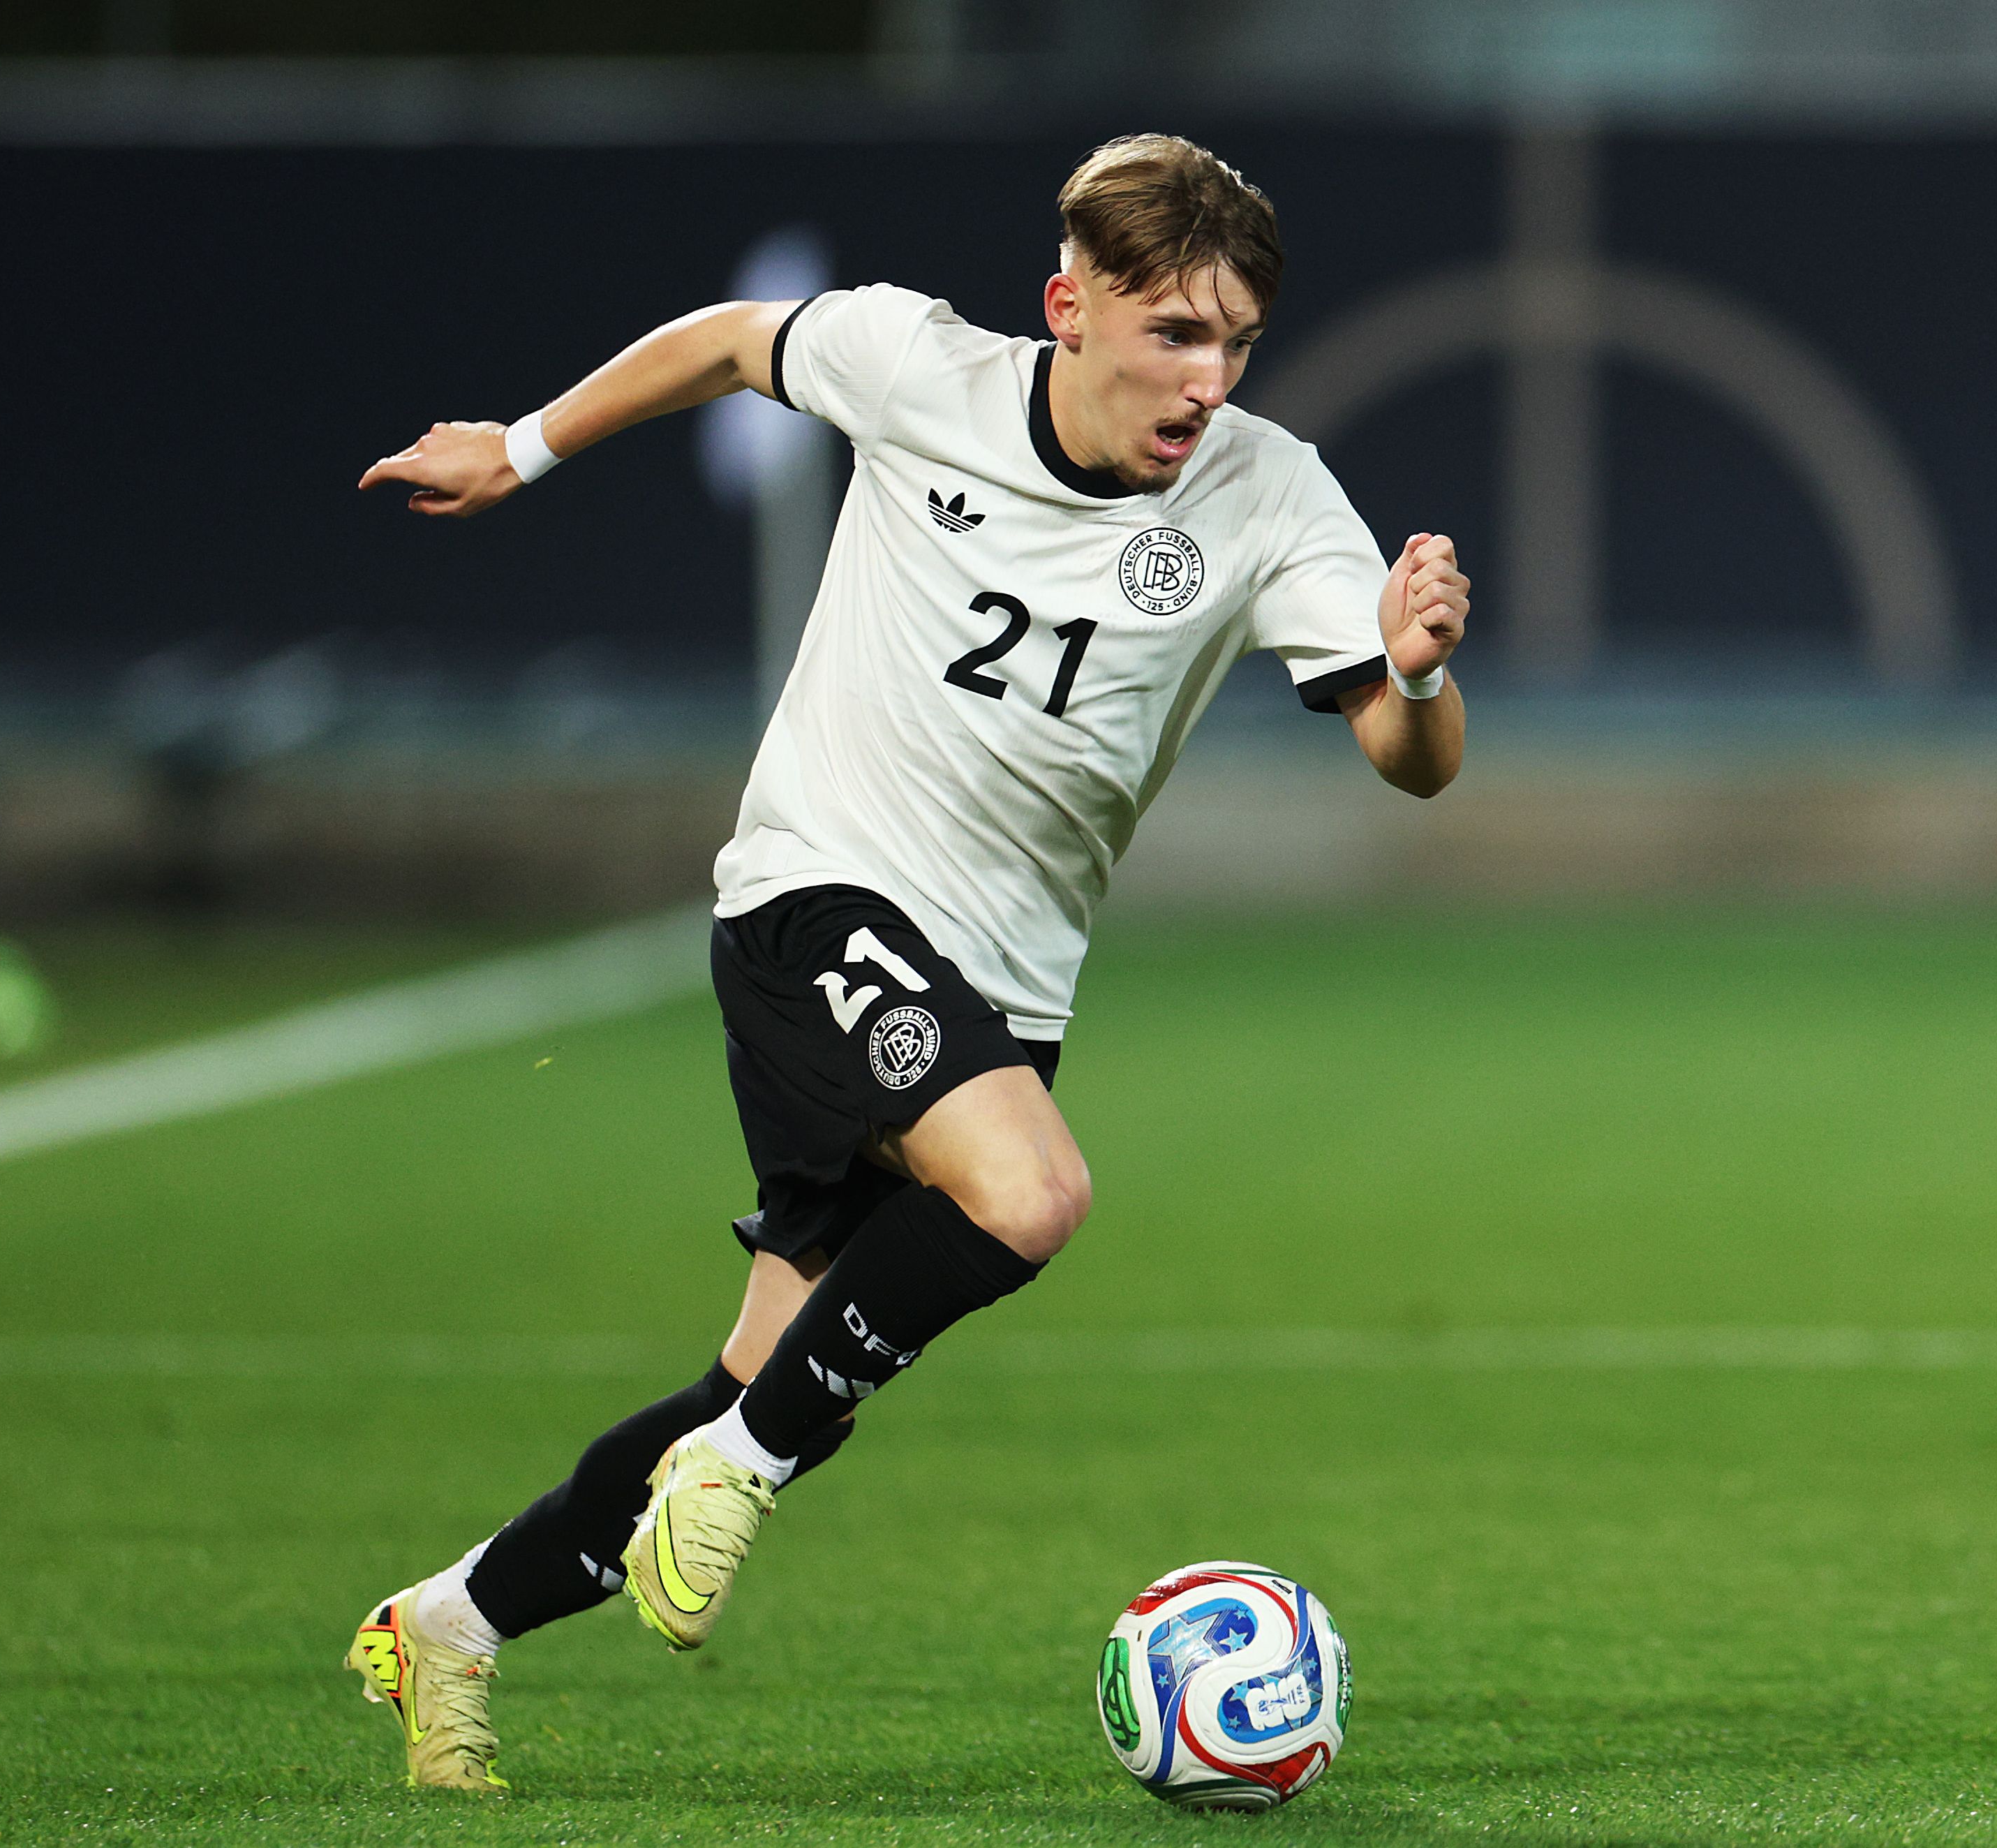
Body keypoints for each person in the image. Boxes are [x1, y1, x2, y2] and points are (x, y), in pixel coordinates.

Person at [341, 134, 1472, 1792]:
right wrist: (522, 446)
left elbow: (1406, 758)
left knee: (763, 1377)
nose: (1207, 378)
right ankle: (738, 1468)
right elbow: (730, 341)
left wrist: (1421, 671)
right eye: (1173, 333)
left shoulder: (1271, 493)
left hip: (1002, 992)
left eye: (1235, 341)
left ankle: (449, 1621)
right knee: (1032, 1196)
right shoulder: (916, 366)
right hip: (817, 899)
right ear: (1068, 309)